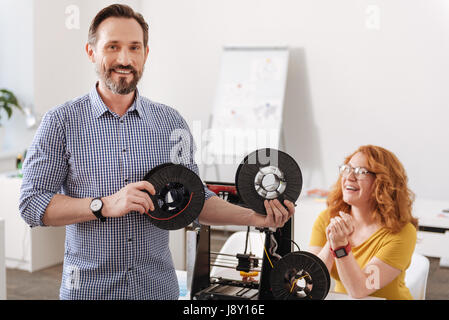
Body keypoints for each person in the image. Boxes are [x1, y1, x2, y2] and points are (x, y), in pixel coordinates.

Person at [18, 4, 295, 300]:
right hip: (89, 290)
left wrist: (258, 218)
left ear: (145, 54)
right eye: (113, 46)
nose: (124, 59)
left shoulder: (171, 122)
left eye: (134, 48)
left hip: (156, 290)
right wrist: (103, 205)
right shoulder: (61, 122)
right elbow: (32, 204)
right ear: (91, 52)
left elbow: (196, 200)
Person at [308, 145, 418, 300]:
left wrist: (340, 246)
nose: (349, 177)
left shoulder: (402, 231)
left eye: (361, 172)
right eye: (347, 169)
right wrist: (332, 241)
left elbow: (359, 290)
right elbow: (310, 283)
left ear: (383, 183)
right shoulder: (326, 218)